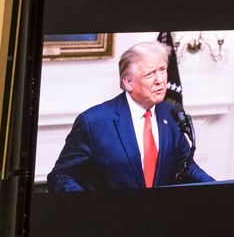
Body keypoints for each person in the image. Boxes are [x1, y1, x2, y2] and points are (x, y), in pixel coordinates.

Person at [47, 41, 216, 193]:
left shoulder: (170, 114)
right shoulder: (93, 122)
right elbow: (61, 176)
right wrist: (91, 209)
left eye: (163, 70)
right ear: (128, 82)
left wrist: (218, 188)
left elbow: (186, 166)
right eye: (150, 74)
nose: (160, 80)